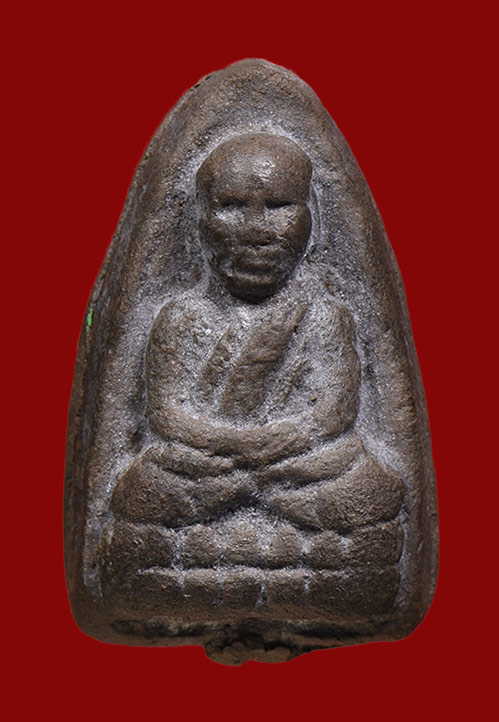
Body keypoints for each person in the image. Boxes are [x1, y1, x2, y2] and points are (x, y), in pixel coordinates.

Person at [102, 134, 404, 615]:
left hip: (296, 468)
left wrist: (264, 452)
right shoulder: (181, 317)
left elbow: (333, 413)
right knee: (141, 489)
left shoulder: (324, 314)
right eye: (230, 207)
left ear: (311, 216)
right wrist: (237, 450)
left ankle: (204, 564)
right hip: (208, 468)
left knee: (366, 489)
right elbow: (166, 413)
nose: (255, 230)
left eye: (279, 206)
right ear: (199, 219)